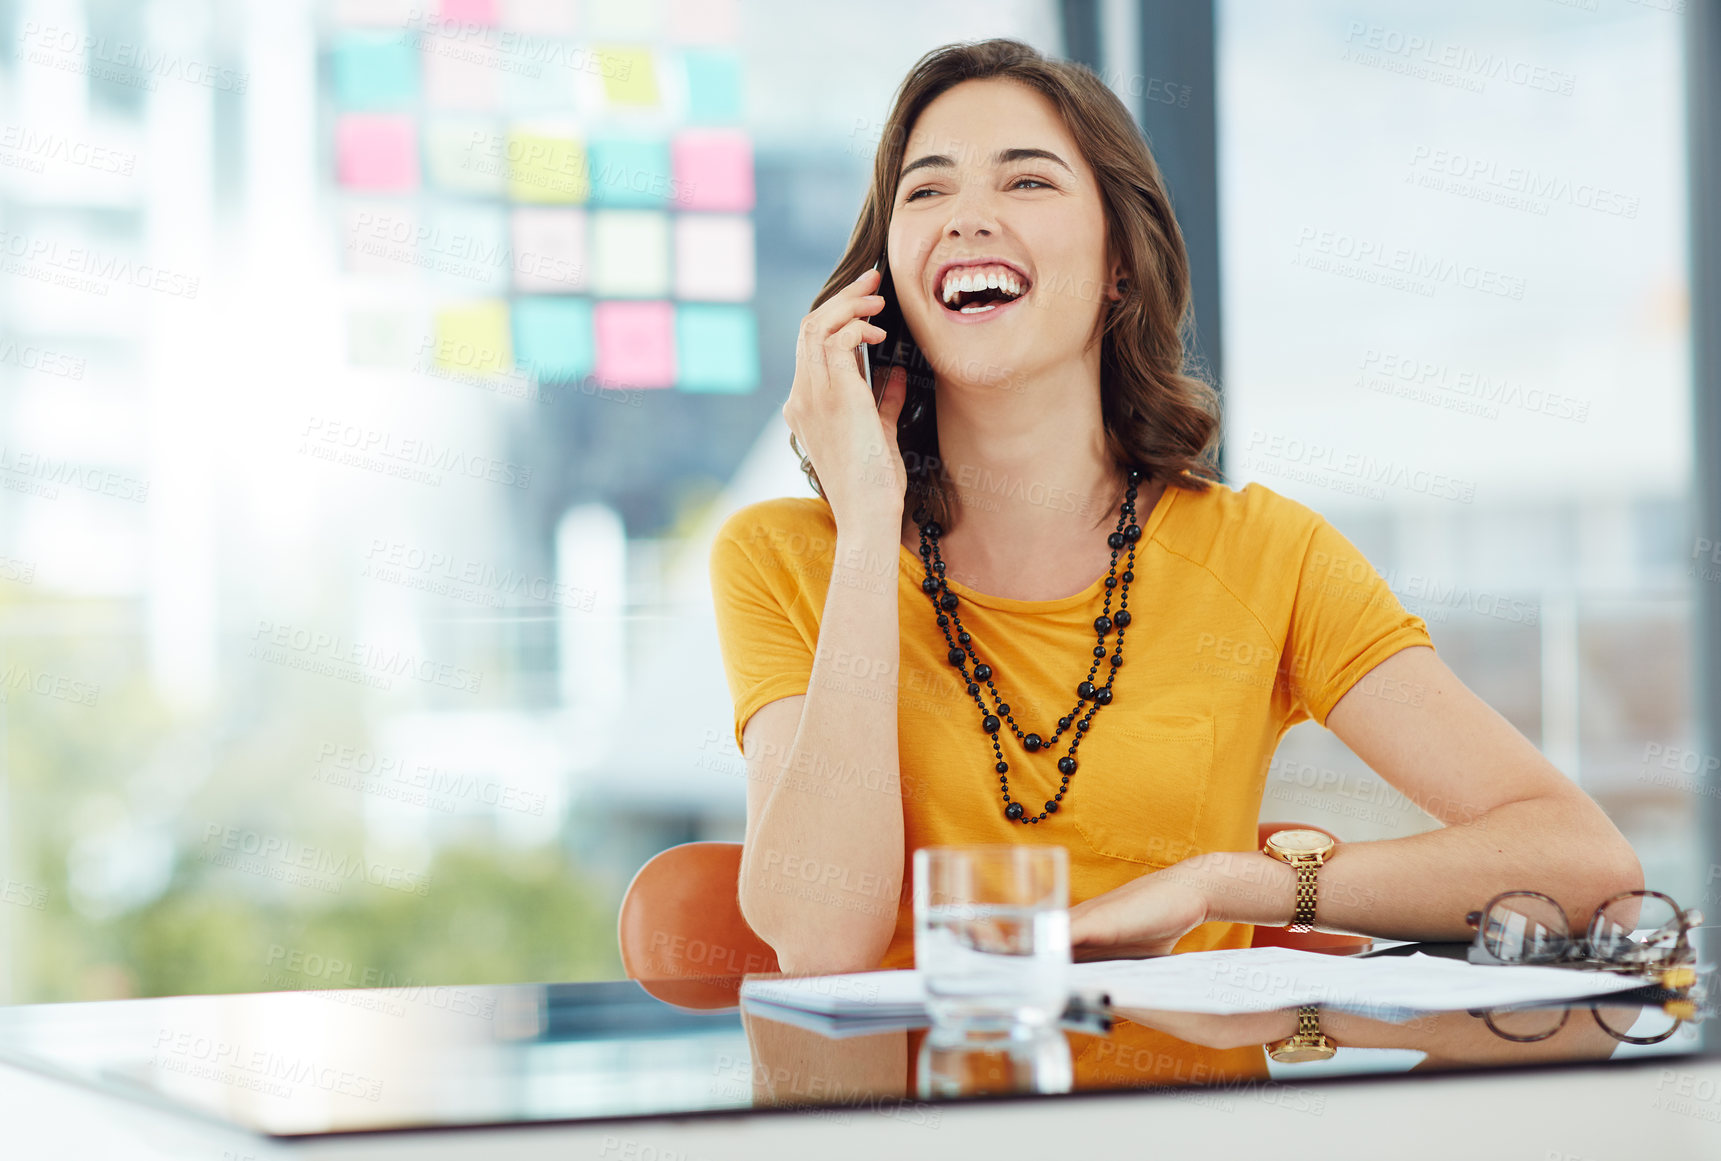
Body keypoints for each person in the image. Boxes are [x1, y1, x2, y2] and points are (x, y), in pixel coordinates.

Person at [709, 38, 1641, 976]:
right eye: (926, 190)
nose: (966, 220)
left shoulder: (1267, 555)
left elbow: (1584, 864)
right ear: (887, 285)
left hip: (1189, 1112)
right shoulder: (783, 556)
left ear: (1120, 260)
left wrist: (1231, 884)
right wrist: (870, 527)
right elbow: (823, 939)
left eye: (1026, 182)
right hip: (907, 1112)